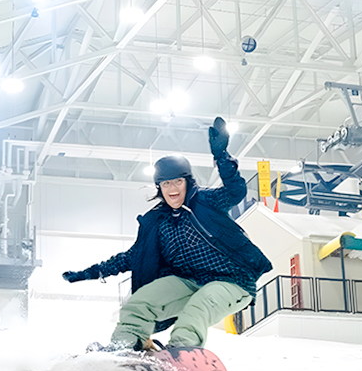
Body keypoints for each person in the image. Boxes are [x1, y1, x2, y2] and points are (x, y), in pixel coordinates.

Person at [61, 116, 272, 351]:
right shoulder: (157, 221)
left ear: (188, 182)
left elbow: (235, 191)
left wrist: (221, 156)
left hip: (231, 280)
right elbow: (132, 257)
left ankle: (182, 351)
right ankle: (126, 346)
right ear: (159, 187)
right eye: (166, 184)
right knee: (138, 303)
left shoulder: (205, 202)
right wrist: (91, 272)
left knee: (198, 308)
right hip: (188, 281)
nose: (172, 189)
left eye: (178, 182)